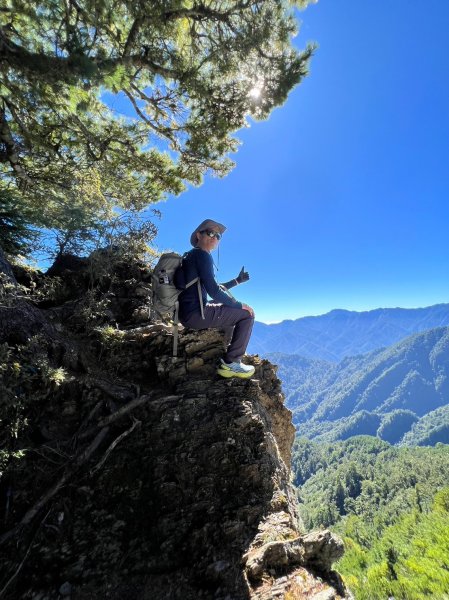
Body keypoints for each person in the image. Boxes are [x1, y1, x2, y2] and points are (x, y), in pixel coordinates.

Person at [178, 219, 255, 379]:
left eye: (218, 235)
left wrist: (237, 281)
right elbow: (213, 290)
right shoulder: (202, 256)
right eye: (210, 232)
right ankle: (232, 362)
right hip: (196, 314)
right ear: (199, 235)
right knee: (247, 315)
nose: (215, 237)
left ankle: (227, 348)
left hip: (187, 313)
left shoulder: (191, 256)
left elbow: (212, 286)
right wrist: (240, 305)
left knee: (230, 307)